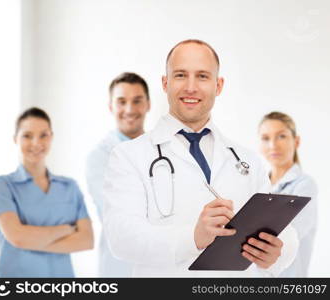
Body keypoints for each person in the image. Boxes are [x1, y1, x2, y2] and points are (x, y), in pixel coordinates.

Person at [102, 39, 298, 277]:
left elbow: (284, 231)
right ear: (165, 83)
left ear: (219, 85)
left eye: (203, 76)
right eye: (181, 75)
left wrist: (278, 253)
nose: (191, 88)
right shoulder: (128, 156)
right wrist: (193, 237)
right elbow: (122, 238)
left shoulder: (247, 160)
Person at [0, 107, 94, 277]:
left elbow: (86, 240)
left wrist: (30, 240)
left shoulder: (69, 187)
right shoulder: (2, 185)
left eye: (43, 135)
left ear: (51, 137)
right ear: (15, 139)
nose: (36, 143)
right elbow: (18, 237)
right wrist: (66, 230)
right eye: (27, 135)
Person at [86, 72, 150, 277]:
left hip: (160, 266)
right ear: (111, 106)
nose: (129, 109)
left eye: (137, 101)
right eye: (121, 101)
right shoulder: (99, 157)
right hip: (119, 269)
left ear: (148, 104)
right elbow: (117, 213)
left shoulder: (164, 152)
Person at [258, 111, 317, 277]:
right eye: (265, 138)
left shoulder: (304, 186)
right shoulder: (258, 185)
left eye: (281, 136)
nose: (273, 145)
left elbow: (290, 237)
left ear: (296, 141)